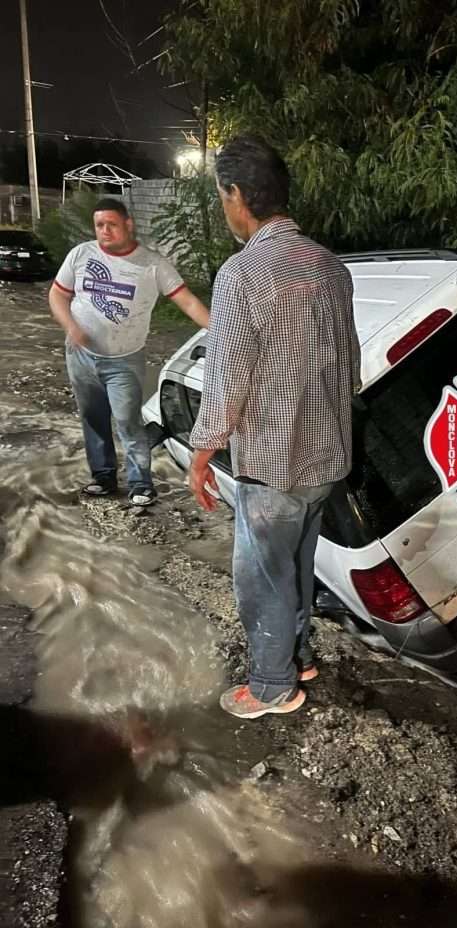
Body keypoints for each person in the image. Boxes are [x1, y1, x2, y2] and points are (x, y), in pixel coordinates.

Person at [188, 135, 361, 720]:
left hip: (274, 462)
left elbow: (227, 376)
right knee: (298, 565)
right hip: (326, 457)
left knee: (262, 578)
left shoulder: (243, 274)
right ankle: (299, 655)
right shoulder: (332, 268)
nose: (224, 208)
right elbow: (349, 361)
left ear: (238, 195)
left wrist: (202, 450)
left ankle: (270, 687)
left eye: (222, 196)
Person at [49, 198, 210, 506]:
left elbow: (187, 301)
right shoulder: (81, 255)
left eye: (111, 224)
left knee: (127, 421)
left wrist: (220, 330)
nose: (104, 231)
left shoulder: (152, 264)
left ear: (128, 225)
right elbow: (57, 294)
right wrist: (70, 326)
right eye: (99, 225)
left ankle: (141, 483)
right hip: (81, 356)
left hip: (124, 359)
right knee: (93, 418)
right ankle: (103, 477)